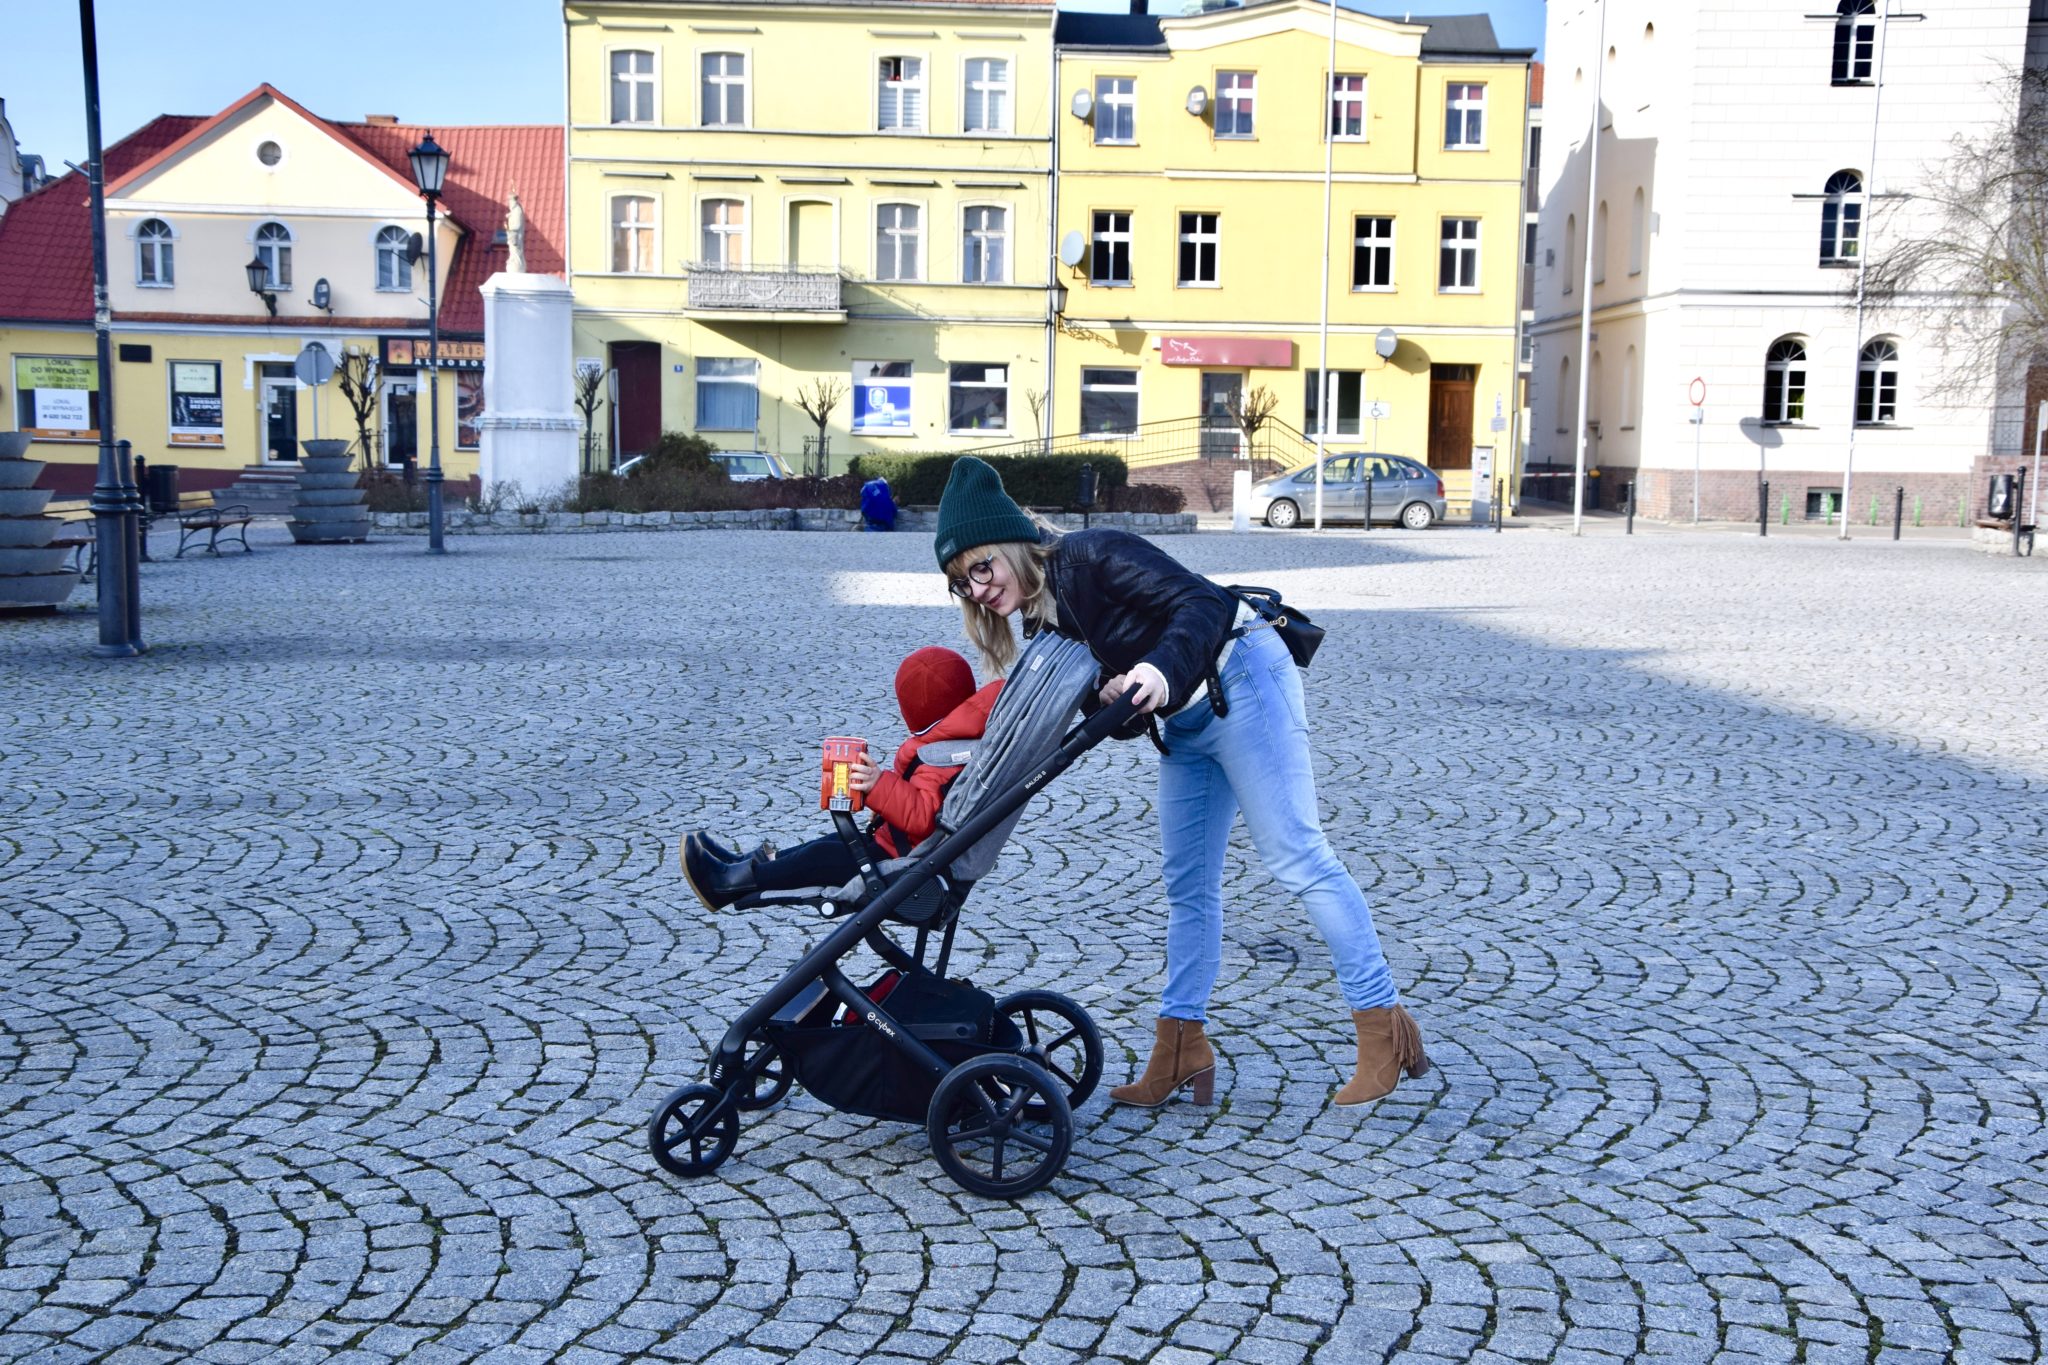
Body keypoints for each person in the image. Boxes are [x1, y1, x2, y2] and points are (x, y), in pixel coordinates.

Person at [932, 456, 1428, 1109]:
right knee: (1187, 884)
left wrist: (1156, 671)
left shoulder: (1090, 556)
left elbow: (1200, 603)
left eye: (981, 567)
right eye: (961, 583)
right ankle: (1180, 1048)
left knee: (1297, 855)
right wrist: (1119, 701)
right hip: (1187, 724)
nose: (977, 588)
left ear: (1007, 545)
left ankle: (1381, 1028)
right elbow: (1123, 719)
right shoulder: (1045, 622)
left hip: (1244, 678)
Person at [683, 646, 1001, 907]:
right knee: (826, 845)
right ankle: (747, 868)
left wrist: (879, 785)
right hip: (894, 844)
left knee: (819, 857)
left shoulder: (945, 756)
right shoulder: (952, 741)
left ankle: (726, 885)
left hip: (904, 859)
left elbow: (923, 816)